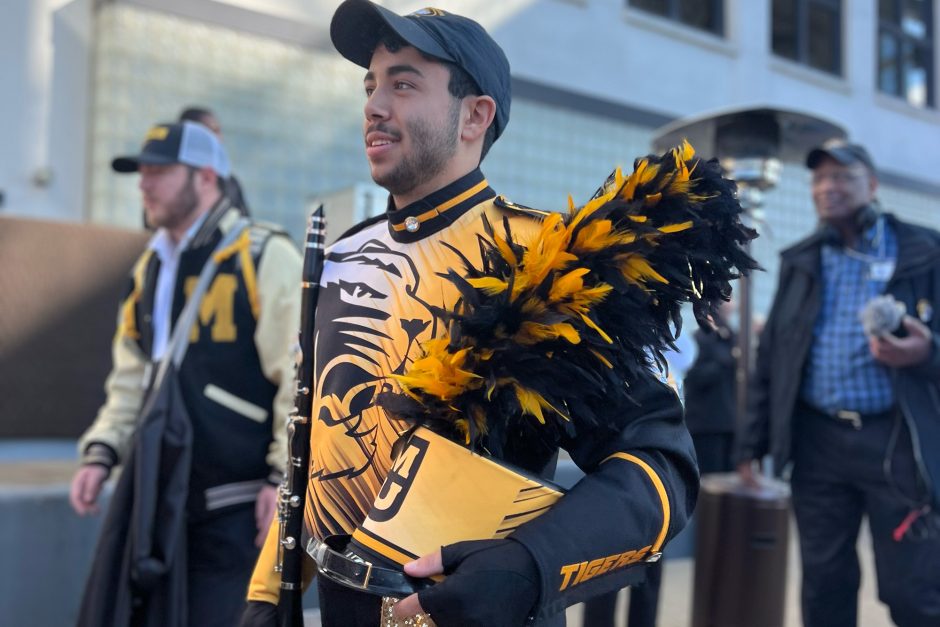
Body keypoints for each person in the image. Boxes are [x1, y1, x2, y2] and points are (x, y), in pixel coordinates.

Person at [240, 2, 715, 626]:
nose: (375, 106)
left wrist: (528, 567)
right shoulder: (341, 256)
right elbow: (316, 448)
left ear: (475, 116)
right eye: (370, 86)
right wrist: (266, 595)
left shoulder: (548, 259)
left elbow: (661, 469)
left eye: (403, 83)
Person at [70, 120, 301, 627]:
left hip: (239, 508)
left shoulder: (262, 254)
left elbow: (299, 379)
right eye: (141, 172)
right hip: (159, 500)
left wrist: (281, 478)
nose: (144, 183)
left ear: (206, 178)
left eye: (160, 171)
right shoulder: (150, 267)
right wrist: (102, 450)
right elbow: (132, 377)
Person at [736, 139, 940, 627]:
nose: (828, 187)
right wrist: (752, 443)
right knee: (824, 585)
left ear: (871, 185)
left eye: (842, 177)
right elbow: (774, 359)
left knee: (914, 590)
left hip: (896, 441)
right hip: (818, 444)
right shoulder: (801, 260)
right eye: (819, 179)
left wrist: (926, 352)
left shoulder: (924, 251)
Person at [684, 300, 737, 474]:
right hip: (706, 424)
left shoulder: (732, 338)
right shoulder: (701, 338)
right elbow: (694, 377)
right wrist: (725, 362)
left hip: (729, 423)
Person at [179, 105, 251, 215]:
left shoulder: (230, 184)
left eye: (218, 131)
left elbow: (244, 224)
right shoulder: (170, 180)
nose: (219, 138)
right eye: (212, 131)